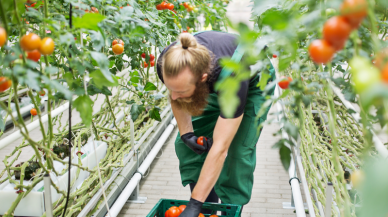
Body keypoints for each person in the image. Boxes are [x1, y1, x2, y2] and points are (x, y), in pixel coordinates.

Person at [156, 31, 275, 216]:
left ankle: (228, 210)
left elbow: (221, 148)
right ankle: (207, 210)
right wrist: (186, 133)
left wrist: (193, 204)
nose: (173, 96)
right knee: (189, 147)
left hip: (251, 83)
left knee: (237, 154)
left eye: (180, 90)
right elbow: (176, 95)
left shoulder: (231, 77)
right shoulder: (169, 62)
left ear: (202, 79)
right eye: (171, 88)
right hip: (213, 81)